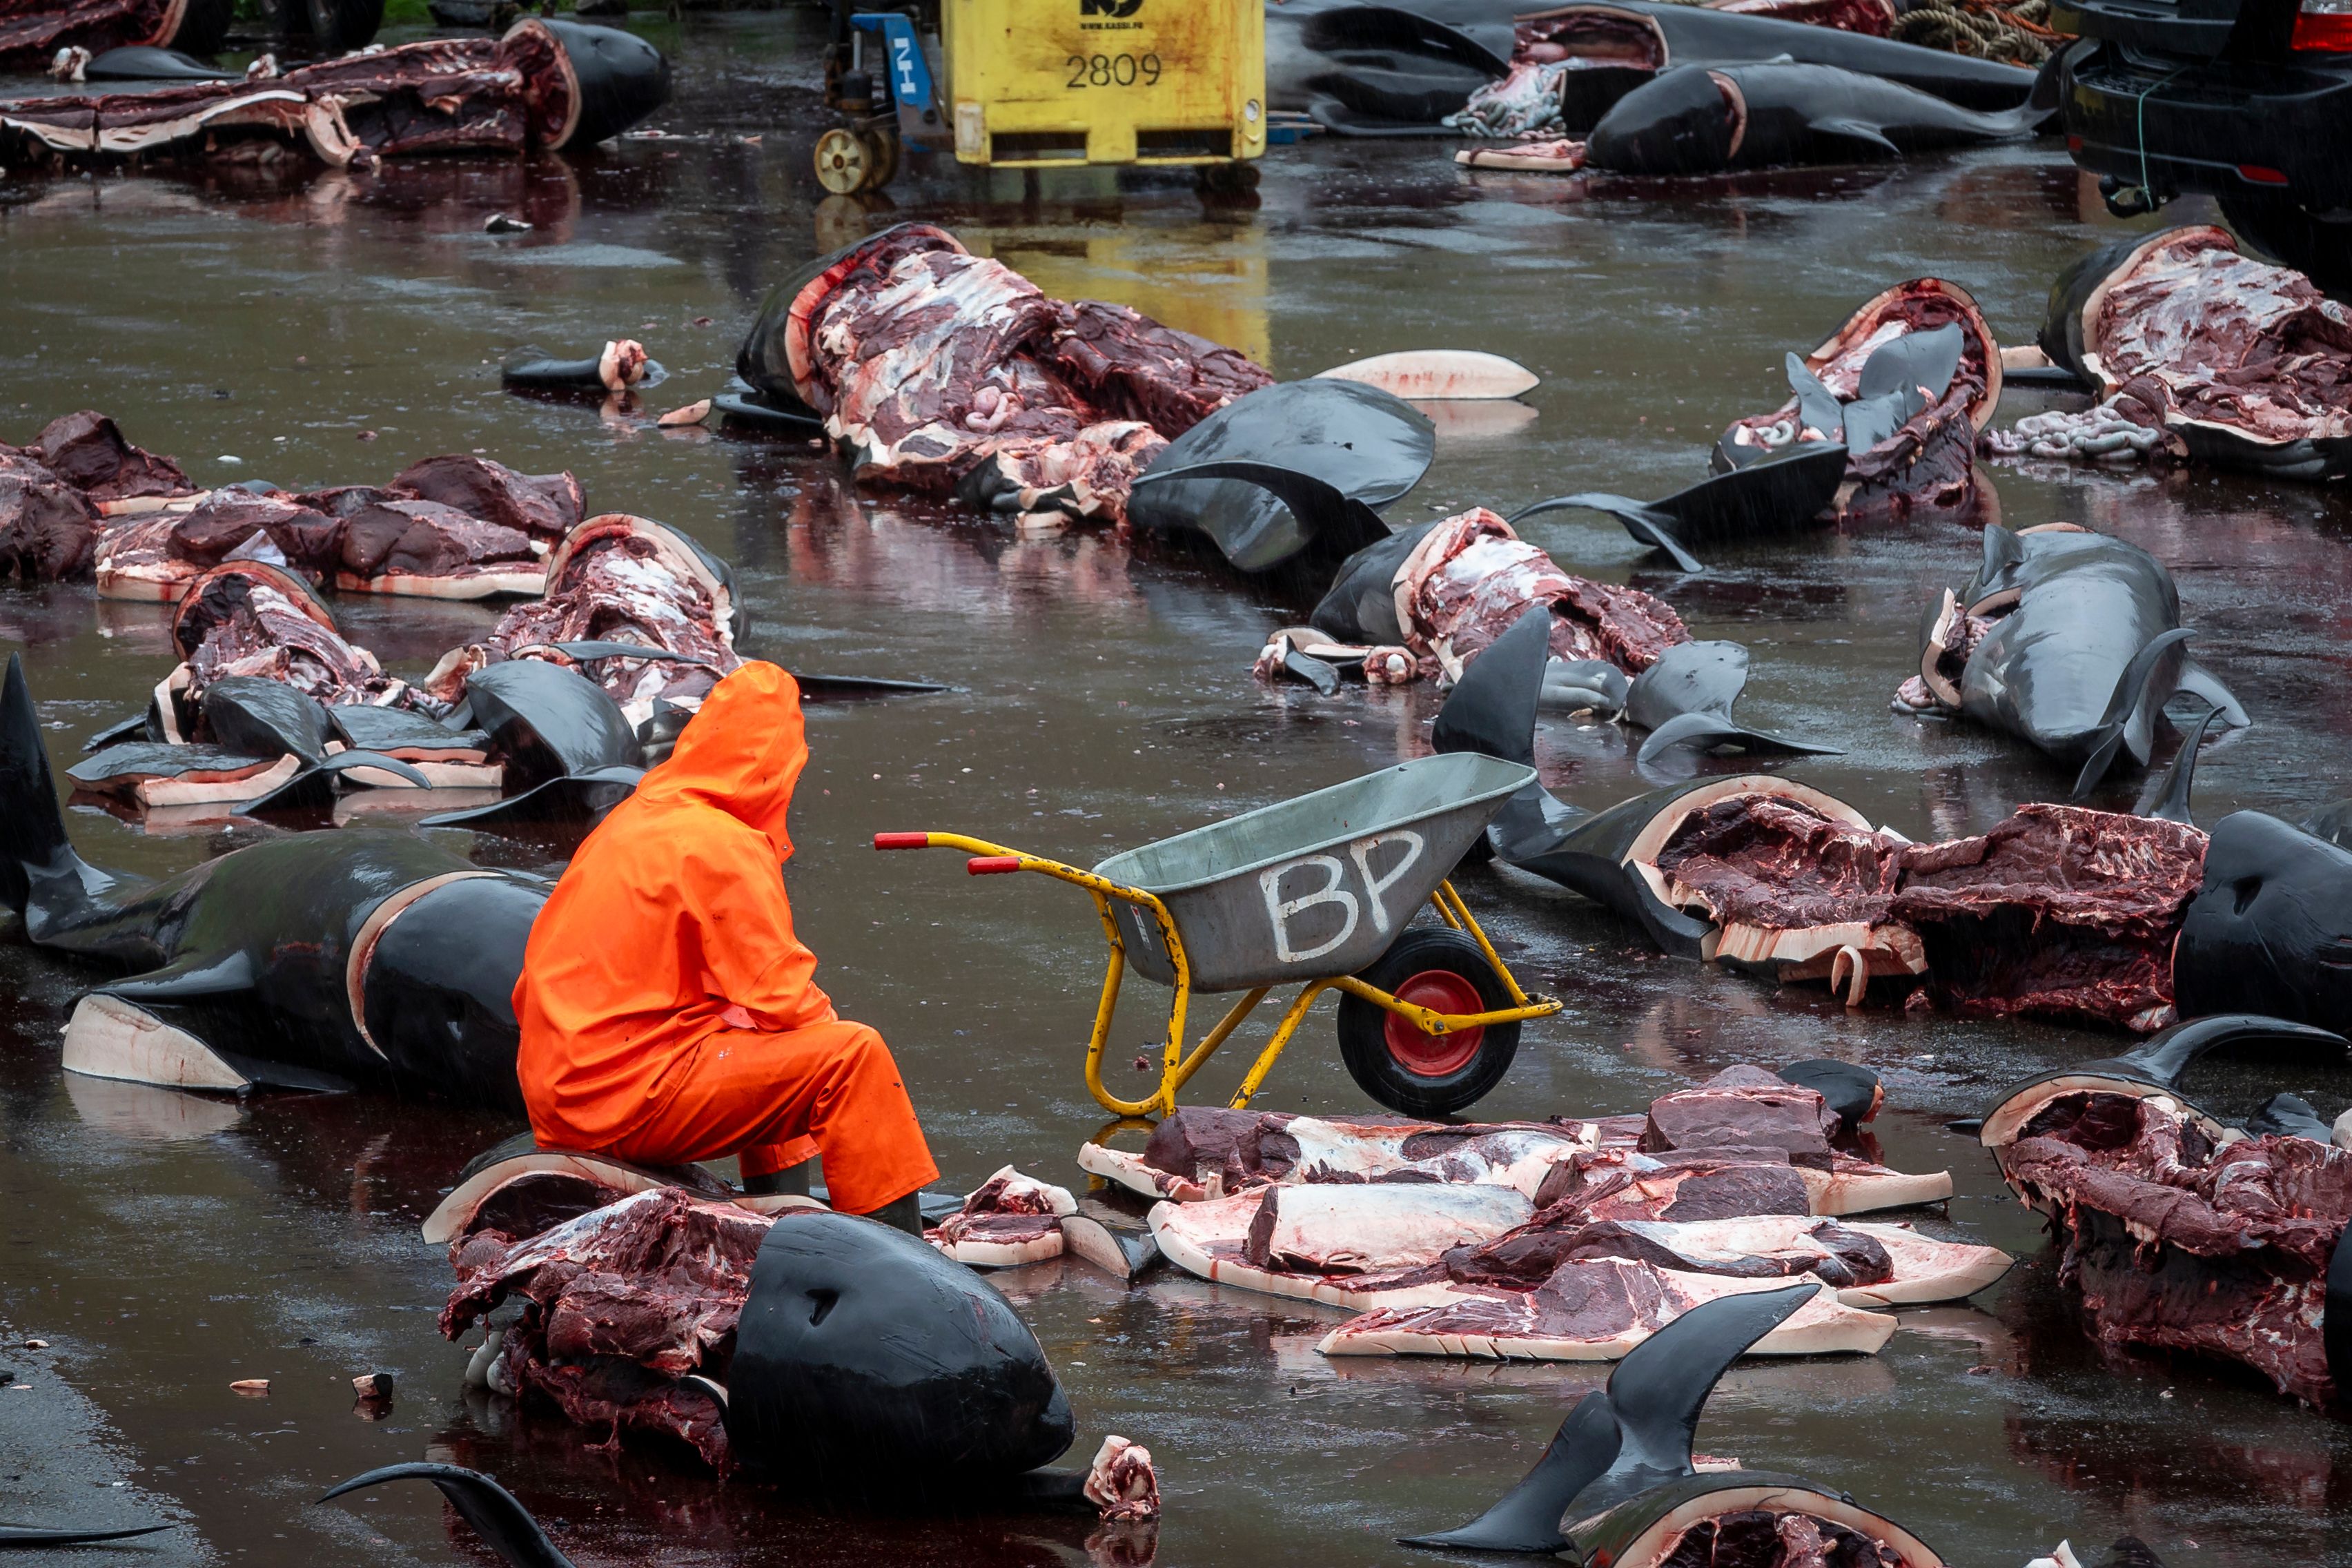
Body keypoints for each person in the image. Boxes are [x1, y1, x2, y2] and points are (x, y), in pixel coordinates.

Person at [511, 660, 938, 1233]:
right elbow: (781, 994)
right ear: (776, 765)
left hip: (566, 1086)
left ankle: (783, 1215)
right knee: (851, 1057)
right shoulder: (722, 843)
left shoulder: (634, 818)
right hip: (621, 1098)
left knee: (765, 1032)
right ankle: (903, 1261)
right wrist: (832, 1067)